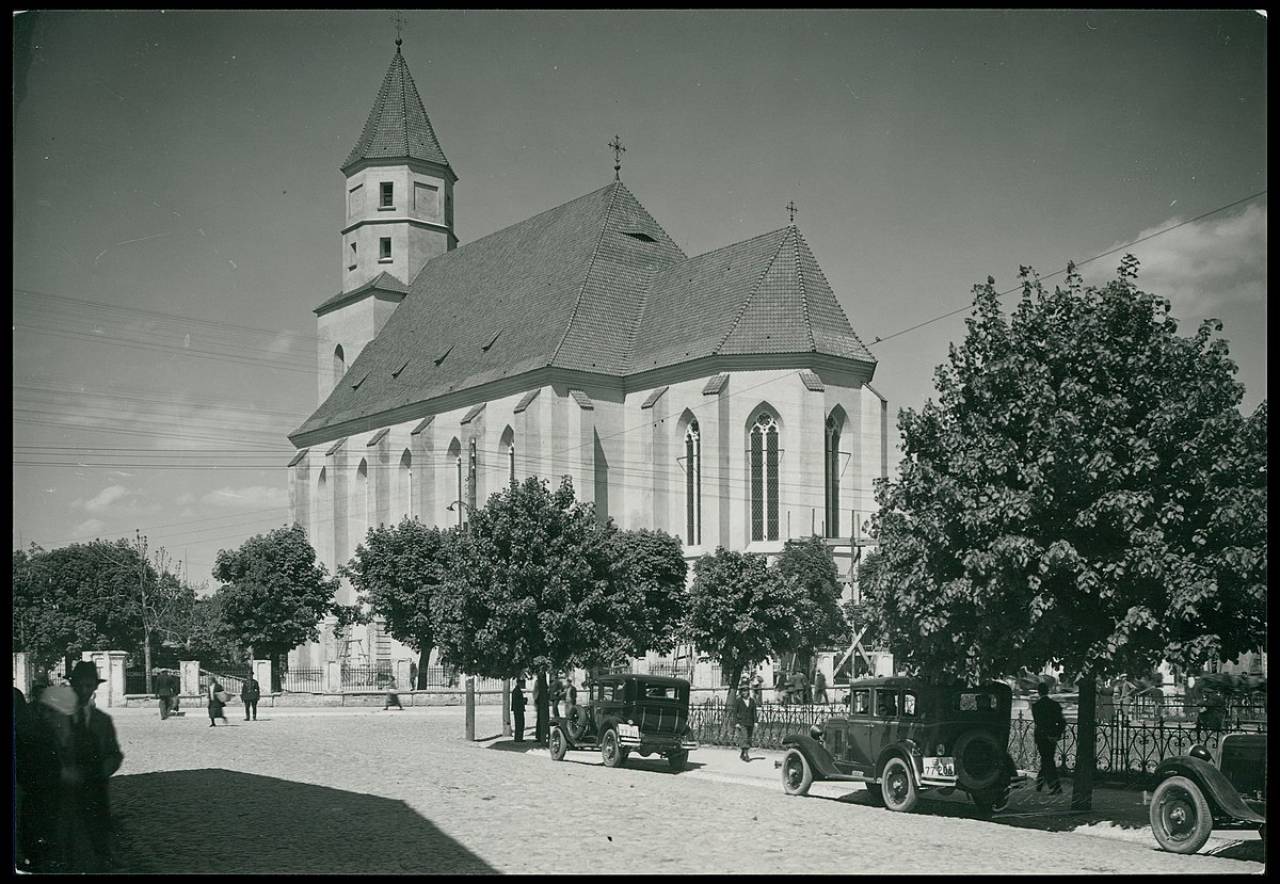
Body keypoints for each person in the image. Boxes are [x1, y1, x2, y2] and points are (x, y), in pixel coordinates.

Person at [39, 662, 124, 871]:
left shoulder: (102, 721)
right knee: (60, 848)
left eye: (90, 686)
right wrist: (60, 772)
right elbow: (41, 752)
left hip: (94, 795)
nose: (85, 691)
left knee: (93, 849)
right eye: (81, 686)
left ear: (95, 687)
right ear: (72, 685)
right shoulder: (55, 717)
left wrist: (98, 773)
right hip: (60, 795)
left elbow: (114, 754)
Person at [1031, 682, 1066, 794]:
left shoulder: (1036, 706)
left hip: (1041, 736)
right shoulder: (1055, 705)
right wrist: (1056, 734)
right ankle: (1041, 784)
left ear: (1038, 692)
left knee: (1047, 759)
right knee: (1048, 759)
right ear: (1048, 691)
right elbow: (1062, 722)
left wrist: (1046, 733)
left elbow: (1038, 723)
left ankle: (1054, 786)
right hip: (1052, 736)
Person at [730, 683, 758, 761]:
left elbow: (754, 712)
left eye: (746, 691)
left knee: (749, 738)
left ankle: (742, 753)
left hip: (750, 722)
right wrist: (736, 723)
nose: (744, 693)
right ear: (741, 692)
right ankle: (746, 755)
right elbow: (735, 713)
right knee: (745, 737)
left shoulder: (752, 701)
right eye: (743, 691)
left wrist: (756, 722)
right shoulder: (738, 701)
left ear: (748, 691)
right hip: (742, 722)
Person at [532, 673, 549, 744]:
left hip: (539, 701)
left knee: (540, 720)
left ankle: (541, 736)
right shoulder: (538, 682)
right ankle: (540, 736)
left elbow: (535, 692)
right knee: (540, 720)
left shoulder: (538, 682)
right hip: (539, 701)